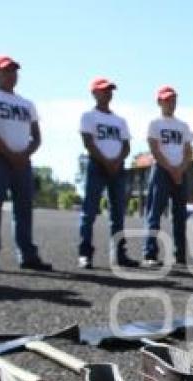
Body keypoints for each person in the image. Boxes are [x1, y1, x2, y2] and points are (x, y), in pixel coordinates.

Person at [0, 55, 52, 273]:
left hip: (22, 162)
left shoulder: (27, 104)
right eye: (6, 71)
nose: (11, 75)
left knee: (24, 210)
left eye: (14, 71)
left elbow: (36, 136)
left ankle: (27, 255)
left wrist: (25, 154)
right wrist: (10, 154)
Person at [78, 77, 136, 269]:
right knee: (89, 212)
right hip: (96, 166)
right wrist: (106, 161)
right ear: (94, 93)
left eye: (110, 90)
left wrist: (117, 161)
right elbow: (88, 142)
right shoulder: (88, 116)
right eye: (103, 90)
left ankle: (119, 255)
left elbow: (127, 146)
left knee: (118, 214)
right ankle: (85, 254)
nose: (108, 93)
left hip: (118, 169)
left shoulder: (120, 120)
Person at [142, 86, 192, 268]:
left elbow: (188, 151)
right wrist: (171, 169)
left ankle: (180, 255)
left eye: (173, 100)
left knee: (180, 215)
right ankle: (150, 253)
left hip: (180, 172)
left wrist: (181, 169)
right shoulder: (154, 124)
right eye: (167, 100)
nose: (171, 103)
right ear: (159, 102)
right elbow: (154, 149)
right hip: (162, 171)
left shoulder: (183, 126)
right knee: (154, 213)